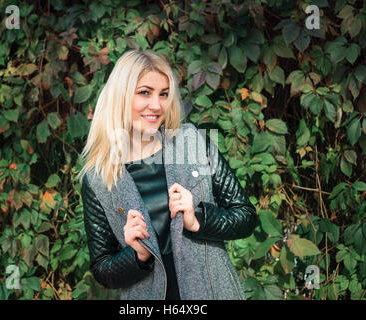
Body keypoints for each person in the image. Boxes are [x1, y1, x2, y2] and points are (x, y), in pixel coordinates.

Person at [78, 49, 257, 300]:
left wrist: (198, 220)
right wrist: (137, 254)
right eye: (144, 92)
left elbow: (245, 216)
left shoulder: (191, 142)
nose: (157, 105)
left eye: (163, 94)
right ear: (120, 97)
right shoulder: (99, 178)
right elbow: (102, 270)